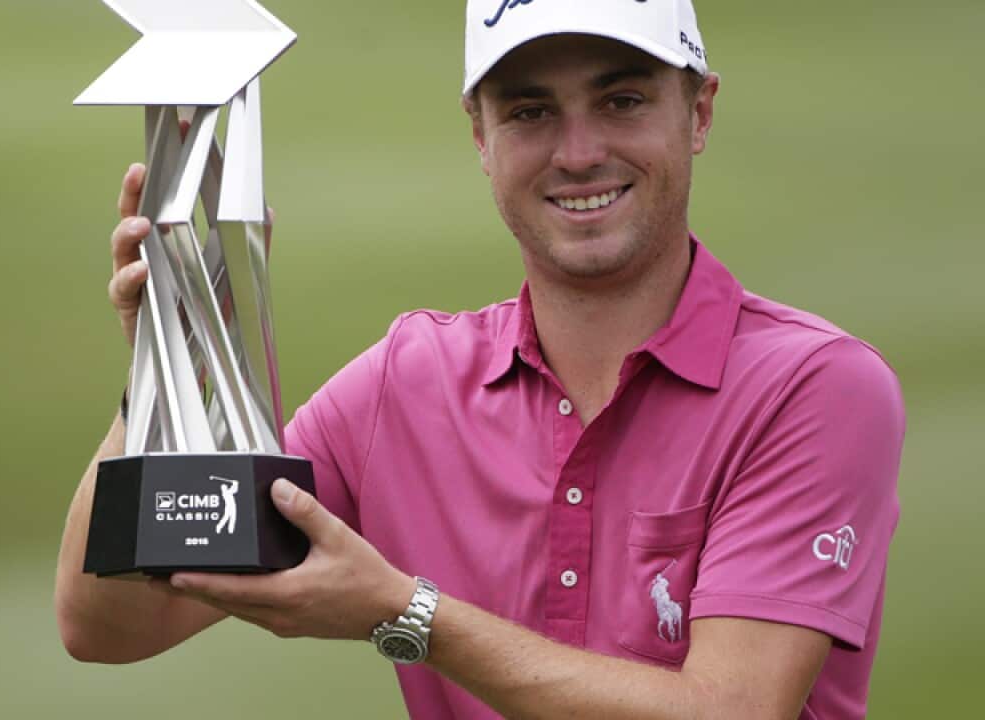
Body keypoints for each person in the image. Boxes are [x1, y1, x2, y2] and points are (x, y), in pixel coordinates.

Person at [54, 1, 904, 718]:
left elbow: (733, 709)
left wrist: (408, 614)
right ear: (481, 135)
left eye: (622, 101)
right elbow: (114, 624)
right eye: (530, 112)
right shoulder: (406, 382)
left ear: (700, 112)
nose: (578, 152)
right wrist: (170, 372)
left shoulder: (815, 387)